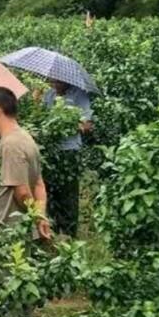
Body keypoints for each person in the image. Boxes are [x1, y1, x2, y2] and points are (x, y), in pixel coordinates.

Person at [0, 87, 52, 240]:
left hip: (9, 231)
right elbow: (39, 184)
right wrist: (40, 214)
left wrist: (37, 218)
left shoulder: (11, 144)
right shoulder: (25, 137)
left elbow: (23, 192)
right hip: (19, 230)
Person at [43, 79, 93, 236]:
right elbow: (42, 119)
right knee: (49, 190)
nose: (55, 85)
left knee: (68, 191)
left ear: (66, 81)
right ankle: (53, 229)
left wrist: (65, 125)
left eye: (58, 82)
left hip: (69, 151)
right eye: (52, 82)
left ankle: (70, 232)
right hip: (51, 151)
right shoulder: (48, 95)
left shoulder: (78, 95)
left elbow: (87, 126)